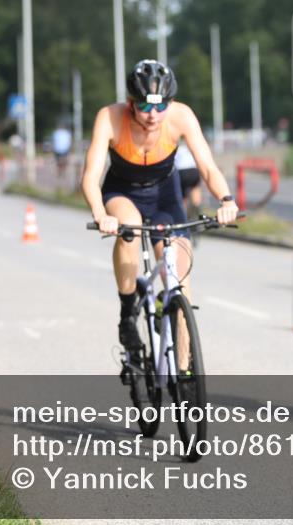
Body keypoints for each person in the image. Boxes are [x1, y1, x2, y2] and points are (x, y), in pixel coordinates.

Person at [81, 59, 238, 356]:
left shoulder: (182, 117)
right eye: (144, 107)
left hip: (165, 194)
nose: (153, 116)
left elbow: (207, 167)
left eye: (161, 107)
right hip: (122, 192)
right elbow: (90, 176)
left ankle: (185, 375)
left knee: (179, 283)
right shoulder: (109, 118)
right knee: (128, 227)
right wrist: (100, 214)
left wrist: (226, 200)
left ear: (171, 102)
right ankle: (128, 312)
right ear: (130, 103)